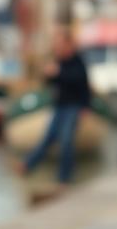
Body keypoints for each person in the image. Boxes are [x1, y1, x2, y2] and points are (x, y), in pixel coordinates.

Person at [21, 25, 91, 183]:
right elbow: (50, 82)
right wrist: (49, 74)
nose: (58, 48)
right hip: (59, 106)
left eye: (61, 45)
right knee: (48, 138)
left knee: (66, 141)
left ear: (68, 45)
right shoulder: (58, 61)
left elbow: (81, 82)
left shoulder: (77, 62)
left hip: (73, 107)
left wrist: (86, 107)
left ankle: (64, 179)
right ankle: (27, 165)